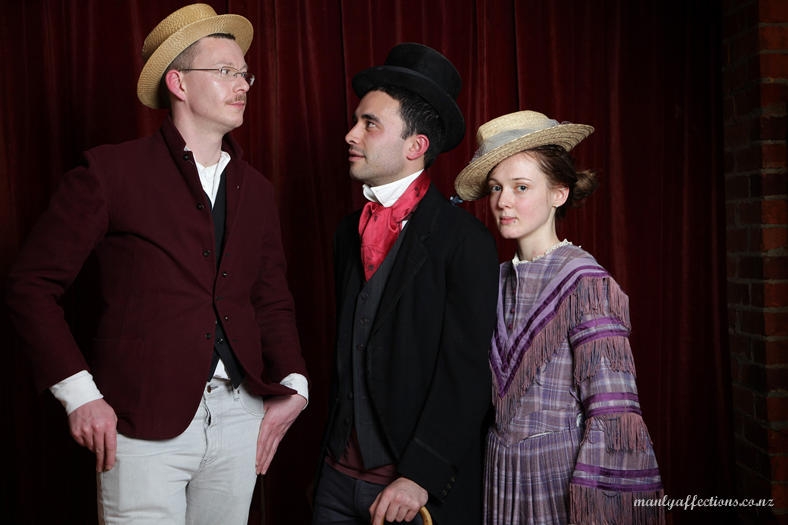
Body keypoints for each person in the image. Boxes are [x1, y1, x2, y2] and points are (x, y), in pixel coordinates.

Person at [5, 4, 308, 524]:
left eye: (245, 73)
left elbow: (271, 298)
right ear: (178, 83)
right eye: (225, 71)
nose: (243, 84)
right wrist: (79, 394)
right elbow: (31, 286)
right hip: (140, 419)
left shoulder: (256, 189)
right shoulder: (110, 171)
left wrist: (295, 385)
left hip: (240, 417)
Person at [312, 43, 499, 525]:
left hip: (411, 491)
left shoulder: (466, 241)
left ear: (415, 146)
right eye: (356, 120)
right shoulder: (346, 232)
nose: (351, 134)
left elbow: (467, 374)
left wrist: (420, 475)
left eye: (370, 124)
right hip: (334, 478)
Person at [454, 110, 665, 525]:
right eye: (496, 187)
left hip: (558, 477)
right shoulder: (492, 279)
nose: (502, 201)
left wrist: (595, 504)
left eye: (521, 187)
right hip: (499, 475)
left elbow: (612, 412)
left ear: (559, 194)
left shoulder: (585, 281)